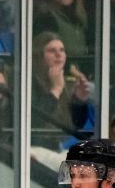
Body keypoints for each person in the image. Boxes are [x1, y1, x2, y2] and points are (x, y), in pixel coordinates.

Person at [31, 31, 92, 164]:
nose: (58, 55)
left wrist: (79, 100)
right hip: (34, 149)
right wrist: (56, 90)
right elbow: (34, 121)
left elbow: (74, 125)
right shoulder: (28, 81)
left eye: (62, 50)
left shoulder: (65, 82)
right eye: (52, 51)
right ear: (39, 56)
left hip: (58, 149)